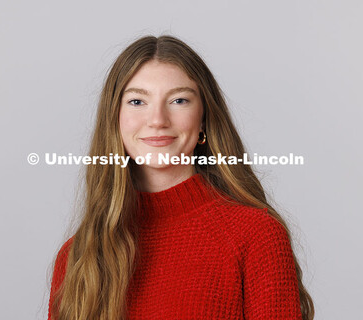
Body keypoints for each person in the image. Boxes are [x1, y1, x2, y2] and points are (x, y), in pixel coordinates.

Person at [47, 35, 314, 320]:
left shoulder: (256, 236)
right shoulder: (78, 257)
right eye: (137, 101)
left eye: (178, 100)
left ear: (203, 120)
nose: (158, 119)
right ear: (114, 120)